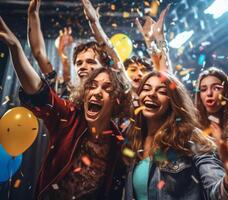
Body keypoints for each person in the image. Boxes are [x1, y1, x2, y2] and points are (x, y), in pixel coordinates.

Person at [0, 17, 132, 199]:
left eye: (91, 62)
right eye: (79, 63)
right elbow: (39, 91)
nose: (84, 67)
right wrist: (15, 46)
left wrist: (94, 23)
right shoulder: (69, 115)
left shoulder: (120, 142)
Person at [122, 71, 228, 200]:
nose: (151, 94)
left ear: (173, 102)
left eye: (162, 91)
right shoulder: (134, 141)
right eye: (146, 88)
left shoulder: (190, 139)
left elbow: (215, 192)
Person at [195, 67, 228, 140]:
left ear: (226, 92)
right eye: (203, 89)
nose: (209, 93)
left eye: (216, 88)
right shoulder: (193, 127)